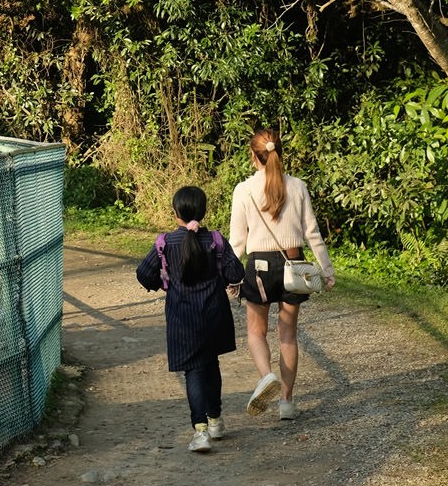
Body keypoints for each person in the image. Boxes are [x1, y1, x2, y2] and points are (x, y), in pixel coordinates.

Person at [229, 127, 335, 422]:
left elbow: (237, 241)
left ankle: (266, 378)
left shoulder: (244, 190)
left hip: (260, 269)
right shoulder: (298, 186)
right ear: (279, 153)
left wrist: (227, 274)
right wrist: (326, 271)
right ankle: (286, 403)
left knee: (255, 332)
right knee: (287, 334)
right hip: (295, 266)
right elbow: (312, 233)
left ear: (253, 155)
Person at [136, 185, 245, 453]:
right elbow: (235, 272)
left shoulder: (164, 243)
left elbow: (143, 274)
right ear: (204, 211)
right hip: (214, 313)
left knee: (193, 371)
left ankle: (200, 431)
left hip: (182, 318)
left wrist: (162, 283)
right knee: (211, 365)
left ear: (175, 214)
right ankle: (216, 419)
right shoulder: (216, 240)